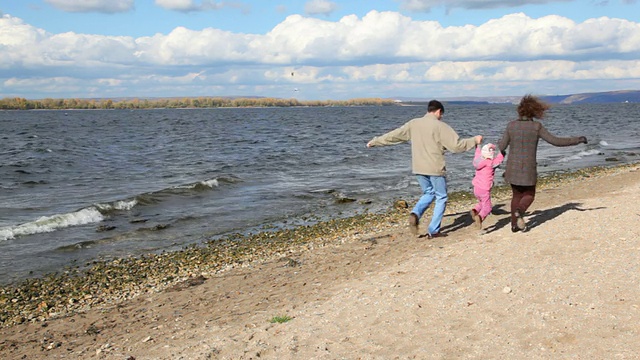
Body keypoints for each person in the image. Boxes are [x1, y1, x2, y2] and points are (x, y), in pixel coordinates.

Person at [367, 100, 482, 238]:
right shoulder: (440, 126)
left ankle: (415, 213)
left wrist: (375, 141)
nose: (441, 117)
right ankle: (433, 230)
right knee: (441, 196)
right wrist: (474, 140)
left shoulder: (414, 123)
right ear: (439, 111)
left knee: (428, 192)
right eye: (441, 115)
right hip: (435, 167)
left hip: (418, 167)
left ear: (428, 110)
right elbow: (456, 146)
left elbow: (394, 135)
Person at [498, 95, 587, 233]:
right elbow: (556, 141)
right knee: (529, 194)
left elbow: (501, 146)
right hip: (528, 168)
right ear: (534, 111)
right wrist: (578, 140)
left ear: (520, 110)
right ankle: (520, 211)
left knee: (516, 195)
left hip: (512, 168)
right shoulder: (536, 127)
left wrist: (482, 150)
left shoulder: (511, 126)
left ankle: (514, 225)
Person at [470, 142, 504, 229]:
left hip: (476, 187)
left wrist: (478, 145)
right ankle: (480, 217)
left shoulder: (478, 160)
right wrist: (502, 153)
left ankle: (475, 210)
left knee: (482, 202)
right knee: (488, 207)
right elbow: (498, 161)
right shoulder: (490, 163)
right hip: (484, 188)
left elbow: (477, 153)